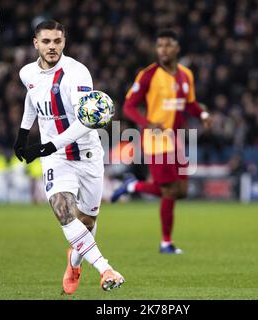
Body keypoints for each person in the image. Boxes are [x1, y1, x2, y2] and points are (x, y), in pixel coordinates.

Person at [13, 20, 124, 295]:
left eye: (58, 41)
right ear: (35, 43)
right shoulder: (27, 73)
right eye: (47, 41)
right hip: (57, 159)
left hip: (87, 155)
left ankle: (74, 263)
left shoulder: (77, 74)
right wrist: (23, 134)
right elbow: (32, 99)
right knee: (62, 210)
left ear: (64, 42)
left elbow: (86, 121)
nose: (52, 47)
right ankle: (106, 269)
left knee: (86, 223)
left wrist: (46, 146)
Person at [111, 29, 211, 254]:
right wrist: (147, 123)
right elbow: (128, 106)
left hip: (178, 140)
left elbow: (191, 103)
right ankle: (166, 242)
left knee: (181, 191)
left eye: (168, 45)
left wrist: (203, 115)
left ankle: (132, 185)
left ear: (177, 48)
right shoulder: (148, 75)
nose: (163, 49)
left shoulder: (186, 75)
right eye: (160, 46)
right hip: (157, 141)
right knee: (168, 191)